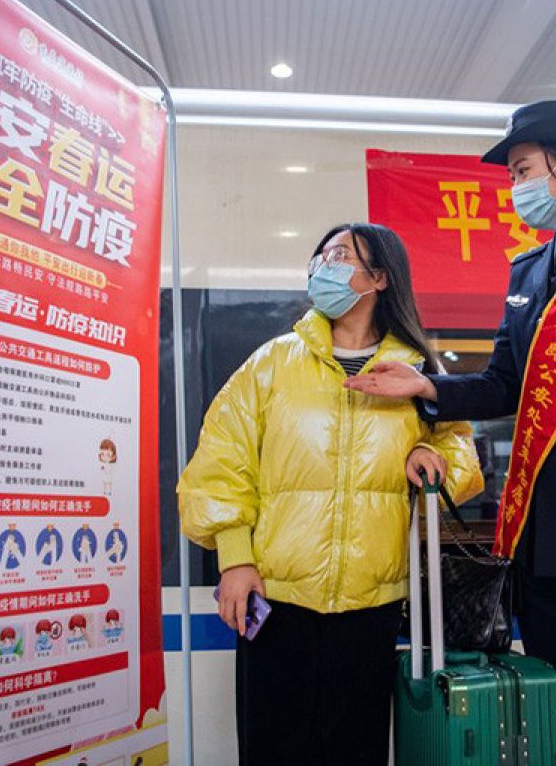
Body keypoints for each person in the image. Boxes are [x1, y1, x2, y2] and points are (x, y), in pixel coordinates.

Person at [345, 101, 556, 766]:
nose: (516, 187)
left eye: (524, 169)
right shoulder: (529, 269)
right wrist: (427, 386)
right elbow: (505, 383)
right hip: (543, 545)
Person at [177, 222, 483, 766]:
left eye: (340, 255)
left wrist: (430, 459)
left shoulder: (412, 372)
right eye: (320, 256)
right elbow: (222, 462)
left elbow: (460, 454)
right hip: (275, 600)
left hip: (373, 606)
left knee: (354, 752)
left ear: (380, 278)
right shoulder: (272, 364)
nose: (324, 266)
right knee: (273, 751)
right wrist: (234, 558)